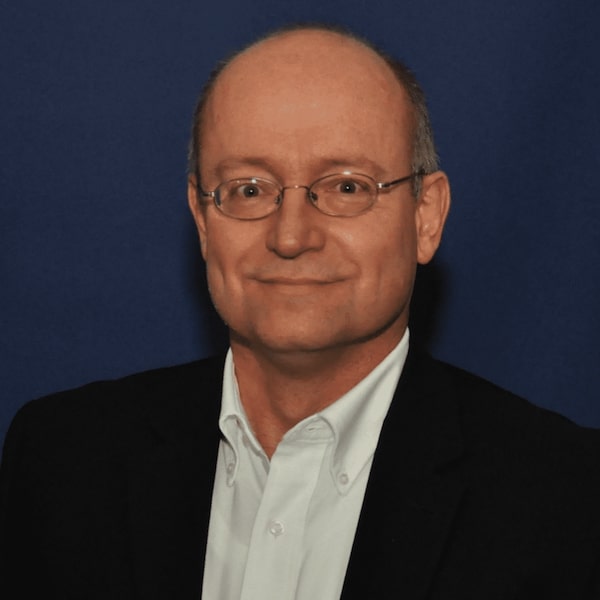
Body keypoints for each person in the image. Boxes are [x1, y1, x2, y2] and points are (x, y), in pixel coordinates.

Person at [1, 24, 600, 600]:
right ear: (203, 221)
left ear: (426, 216)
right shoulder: (61, 462)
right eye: (249, 189)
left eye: (347, 187)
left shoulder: (568, 499)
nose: (290, 236)